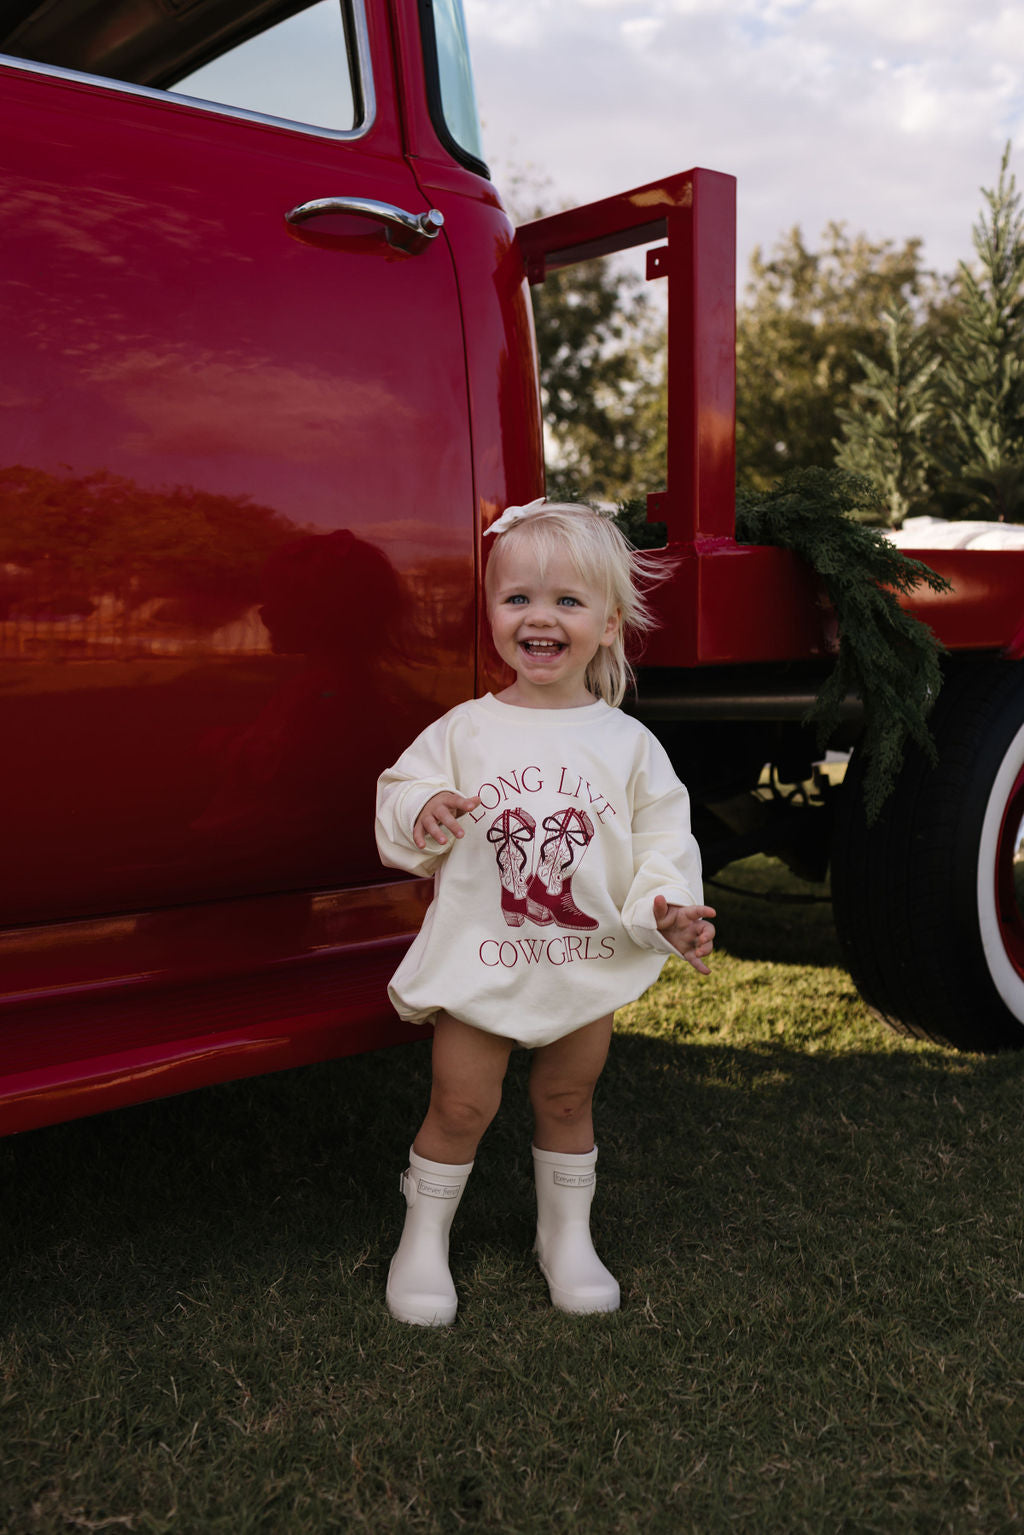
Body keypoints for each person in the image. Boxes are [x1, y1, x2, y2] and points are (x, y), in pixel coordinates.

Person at [375, 499, 715, 1326]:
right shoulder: (466, 729)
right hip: (484, 955)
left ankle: (565, 1237)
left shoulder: (628, 744)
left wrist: (666, 909)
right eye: (518, 597)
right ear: (491, 612)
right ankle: (422, 1235)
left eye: (567, 601)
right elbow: (402, 787)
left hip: (581, 961)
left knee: (568, 1098)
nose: (540, 617)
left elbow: (661, 837)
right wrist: (422, 810)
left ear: (608, 624)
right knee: (461, 1103)